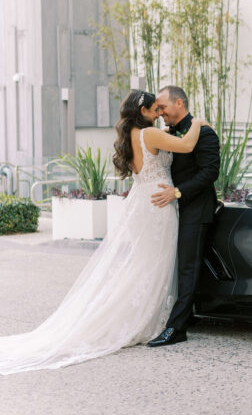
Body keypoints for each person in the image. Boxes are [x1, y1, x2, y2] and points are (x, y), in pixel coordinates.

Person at [0, 90, 206, 375]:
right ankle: (143, 319)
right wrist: (200, 123)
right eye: (154, 109)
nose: (159, 114)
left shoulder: (131, 135)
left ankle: (141, 315)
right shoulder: (150, 135)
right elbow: (186, 145)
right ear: (143, 110)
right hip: (158, 207)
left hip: (142, 204)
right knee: (153, 264)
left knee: (143, 265)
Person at [147, 85, 220, 347]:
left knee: (188, 268)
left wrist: (177, 193)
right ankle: (185, 315)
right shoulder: (167, 134)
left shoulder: (205, 133)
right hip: (170, 211)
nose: (160, 112)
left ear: (179, 103)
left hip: (196, 209)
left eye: (163, 107)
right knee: (174, 266)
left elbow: (210, 172)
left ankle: (176, 328)